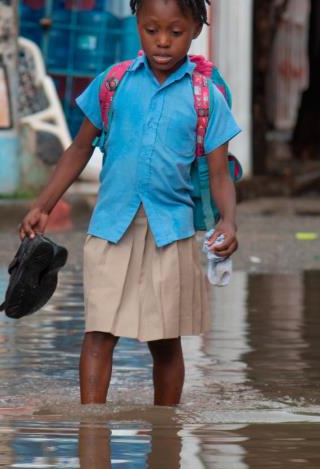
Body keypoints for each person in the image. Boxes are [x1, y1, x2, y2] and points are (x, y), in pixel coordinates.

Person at [19, 0, 241, 406]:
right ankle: (91, 429)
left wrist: (228, 221)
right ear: (137, 24)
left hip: (170, 234)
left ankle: (166, 435)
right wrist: (44, 204)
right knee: (99, 333)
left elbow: (220, 172)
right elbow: (80, 148)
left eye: (175, 32)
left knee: (164, 341)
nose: (162, 42)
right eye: (151, 29)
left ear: (195, 29)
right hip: (110, 229)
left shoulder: (206, 97)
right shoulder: (114, 83)